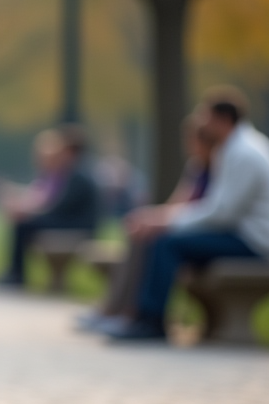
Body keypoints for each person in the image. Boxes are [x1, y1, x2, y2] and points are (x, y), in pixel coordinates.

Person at [104, 88, 269, 341]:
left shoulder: (243, 153)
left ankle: (151, 321)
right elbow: (217, 209)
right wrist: (163, 220)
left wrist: (168, 223)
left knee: (166, 244)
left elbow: (222, 213)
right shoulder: (237, 147)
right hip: (243, 233)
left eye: (206, 118)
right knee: (164, 239)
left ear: (222, 120)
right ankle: (138, 315)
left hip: (255, 241)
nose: (202, 124)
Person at [78, 114, 217, 333]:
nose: (188, 146)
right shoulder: (197, 167)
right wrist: (149, 217)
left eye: (191, 140)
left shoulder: (220, 166)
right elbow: (178, 202)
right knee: (139, 231)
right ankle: (114, 310)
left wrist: (161, 223)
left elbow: (210, 211)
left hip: (202, 229)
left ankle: (136, 314)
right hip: (190, 226)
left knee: (158, 241)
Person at [0, 124, 98, 288]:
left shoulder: (78, 177)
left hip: (78, 227)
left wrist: (30, 214)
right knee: (23, 223)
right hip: (70, 223)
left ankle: (17, 274)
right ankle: (15, 272)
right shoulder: (70, 174)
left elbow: (59, 207)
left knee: (24, 225)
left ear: (70, 152)